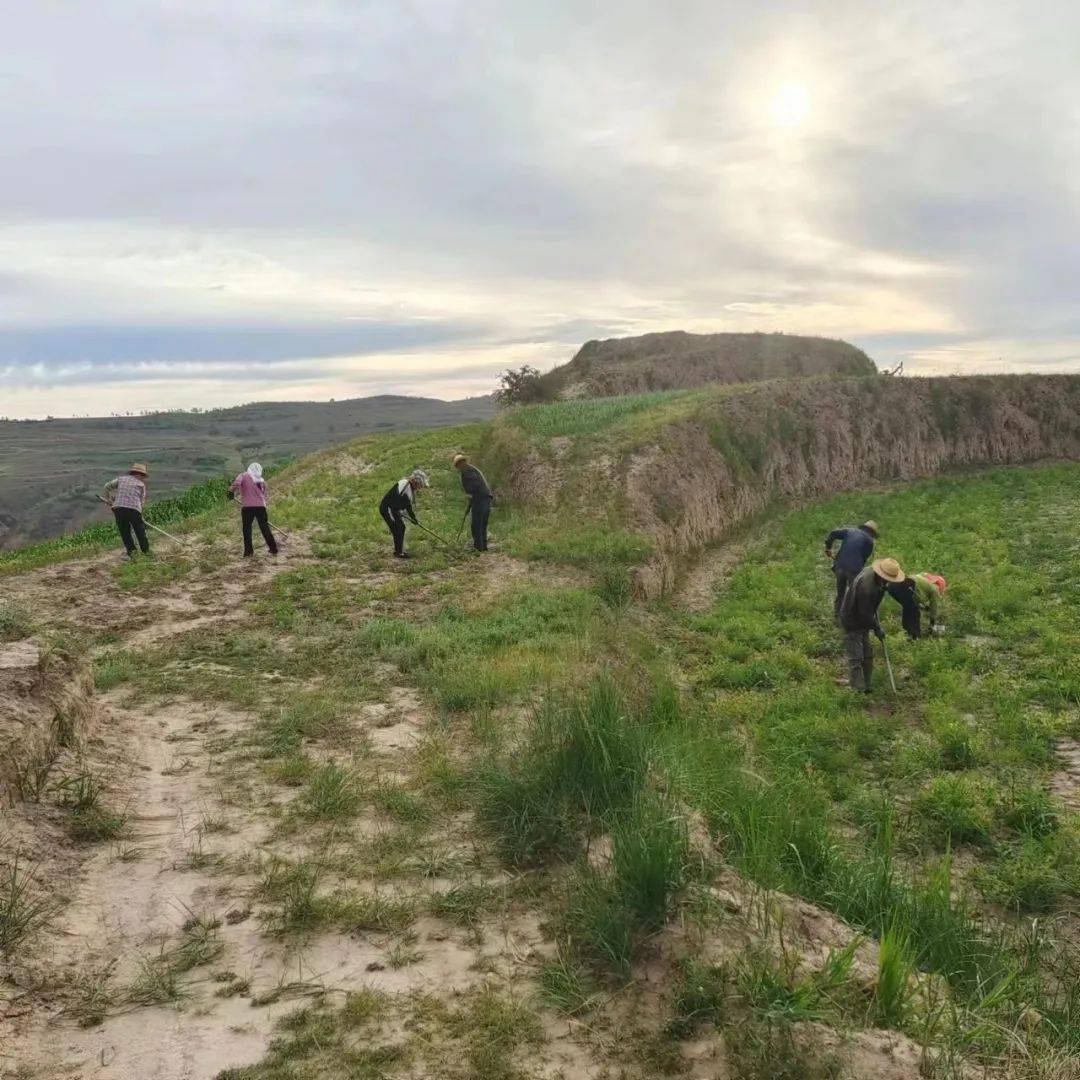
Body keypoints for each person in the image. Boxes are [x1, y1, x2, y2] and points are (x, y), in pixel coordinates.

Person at [839, 556, 906, 692]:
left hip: (863, 617)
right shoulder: (867, 589)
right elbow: (865, 614)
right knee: (856, 657)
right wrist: (877, 628)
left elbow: (869, 610)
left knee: (868, 654)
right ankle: (857, 691)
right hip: (852, 619)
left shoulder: (872, 572)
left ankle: (867, 685)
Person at [824, 520, 879, 618]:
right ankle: (849, 616)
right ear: (872, 533)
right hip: (854, 569)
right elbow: (863, 558)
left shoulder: (849, 531)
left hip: (839, 565)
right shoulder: (869, 542)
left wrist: (828, 548)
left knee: (840, 592)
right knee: (853, 594)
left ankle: (837, 615)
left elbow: (833, 534)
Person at [228, 462, 278, 558]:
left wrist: (230, 492)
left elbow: (236, 484)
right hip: (261, 507)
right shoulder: (261, 480)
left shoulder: (243, 475)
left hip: (247, 507)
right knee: (265, 528)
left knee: (247, 529)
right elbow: (265, 495)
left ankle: (248, 552)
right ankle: (273, 549)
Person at [103, 463, 151, 559]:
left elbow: (107, 486)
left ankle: (132, 554)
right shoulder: (141, 485)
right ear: (140, 475)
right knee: (140, 532)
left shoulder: (121, 479)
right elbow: (142, 502)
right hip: (134, 510)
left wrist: (109, 500)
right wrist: (141, 514)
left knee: (125, 533)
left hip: (119, 509)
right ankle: (146, 553)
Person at [379, 469, 429, 558]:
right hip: (388, 508)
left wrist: (413, 518)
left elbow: (407, 506)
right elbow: (402, 502)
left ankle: (399, 551)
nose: (420, 487)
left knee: (401, 527)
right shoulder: (404, 483)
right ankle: (398, 552)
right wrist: (410, 515)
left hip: (395, 510)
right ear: (415, 482)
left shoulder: (410, 490)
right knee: (397, 528)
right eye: (420, 485)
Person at [888, 572, 946, 639]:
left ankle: (908, 633)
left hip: (892, 586)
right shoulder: (935, 589)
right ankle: (915, 637)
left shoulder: (924, 580)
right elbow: (934, 607)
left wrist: (923, 607)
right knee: (915, 613)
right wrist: (932, 623)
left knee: (909, 609)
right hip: (904, 586)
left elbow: (915, 597)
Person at [453, 453, 493, 552]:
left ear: (461, 463)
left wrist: (470, 496)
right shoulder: (473, 469)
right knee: (482, 524)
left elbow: (473, 488)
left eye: (460, 463)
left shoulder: (466, 472)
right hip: (486, 498)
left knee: (476, 525)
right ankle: (483, 547)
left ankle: (478, 548)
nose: (459, 466)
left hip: (480, 499)